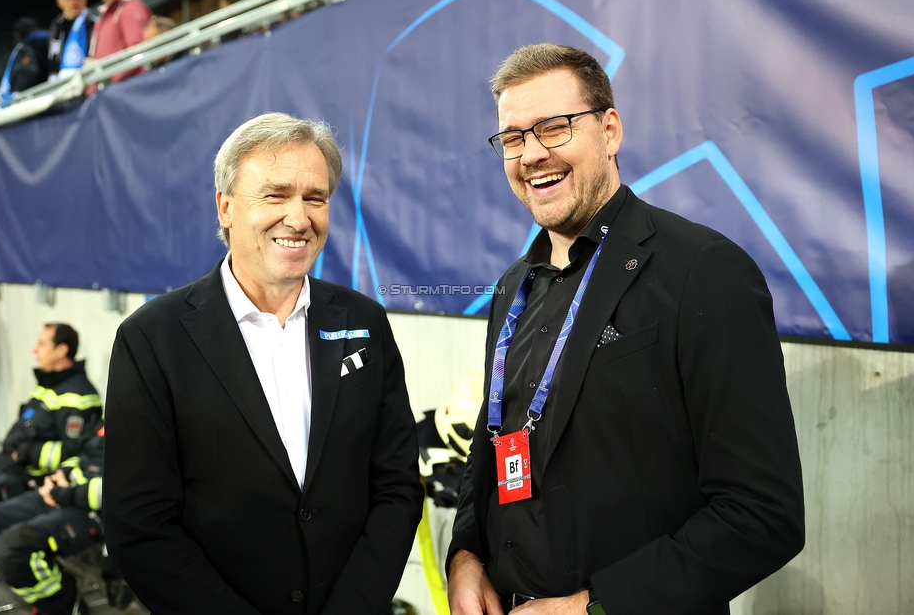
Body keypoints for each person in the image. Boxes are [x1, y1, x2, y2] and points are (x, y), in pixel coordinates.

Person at [446, 44, 805, 615]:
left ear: (609, 131)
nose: (532, 154)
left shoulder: (702, 271)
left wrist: (591, 607)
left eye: (554, 128)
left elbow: (764, 514)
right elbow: (496, 444)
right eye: (513, 138)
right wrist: (465, 555)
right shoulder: (514, 287)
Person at [104, 112, 424, 614]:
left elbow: (397, 487)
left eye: (315, 198)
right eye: (275, 195)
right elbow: (139, 525)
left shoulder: (365, 322)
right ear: (225, 207)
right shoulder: (152, 339)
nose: (299, 218)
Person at [0, 324, 101, 614]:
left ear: (63, 350)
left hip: (33, 479)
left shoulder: (79, 396)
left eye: (42, 343)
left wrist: (29, 454)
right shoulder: (50, 384)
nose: (35, 349)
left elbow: (72, 452)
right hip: (12, 468)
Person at [0, 422, 105, 615]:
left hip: (94, 511)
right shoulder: (110, 419)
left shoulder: (145, 426)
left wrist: (65, 492)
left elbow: (123, 489)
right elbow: (81, 454)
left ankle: (62, 603)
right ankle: (34, 588)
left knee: (9, 552)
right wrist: (61, 474)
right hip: (62, 492)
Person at [87, 0, 150, 90]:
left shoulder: (130, 8)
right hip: (107, 91)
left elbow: (136, 50)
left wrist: (112, 81)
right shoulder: (106, 15)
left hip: (125, 88)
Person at [47, 0, 97, 81]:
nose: (74, 1)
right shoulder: (56, 26)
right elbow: (53, 55)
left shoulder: (94, 21)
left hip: (89, 77)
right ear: (59, 2)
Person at [0, 18, 49, 106]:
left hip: (34, 101)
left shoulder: (25, 49)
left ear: (18, 36)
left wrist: (16, 94)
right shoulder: (53, 38)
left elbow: (28, 74)